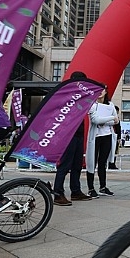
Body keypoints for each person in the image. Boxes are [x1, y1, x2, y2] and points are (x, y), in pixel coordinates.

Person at [52, 71, 92, 205]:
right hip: (68, 135)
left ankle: (75, 191)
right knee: (65, 165)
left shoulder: (82, 96)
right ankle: (58, 193)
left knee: (77, 165)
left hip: (79, 134)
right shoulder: (66, 96)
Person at [85, 87, 117, 198]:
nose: (99, 93)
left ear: (106, 92)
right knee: (92, 162)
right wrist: (110, 118)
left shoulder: (110, 105)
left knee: (102, 162)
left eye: (102, 90)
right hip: (96, 137)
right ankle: (91, 188)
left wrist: (106, 120)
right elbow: (95, 120)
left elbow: (115, 121)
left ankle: (103, 187)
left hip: (107, 136)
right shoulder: (93, 105)